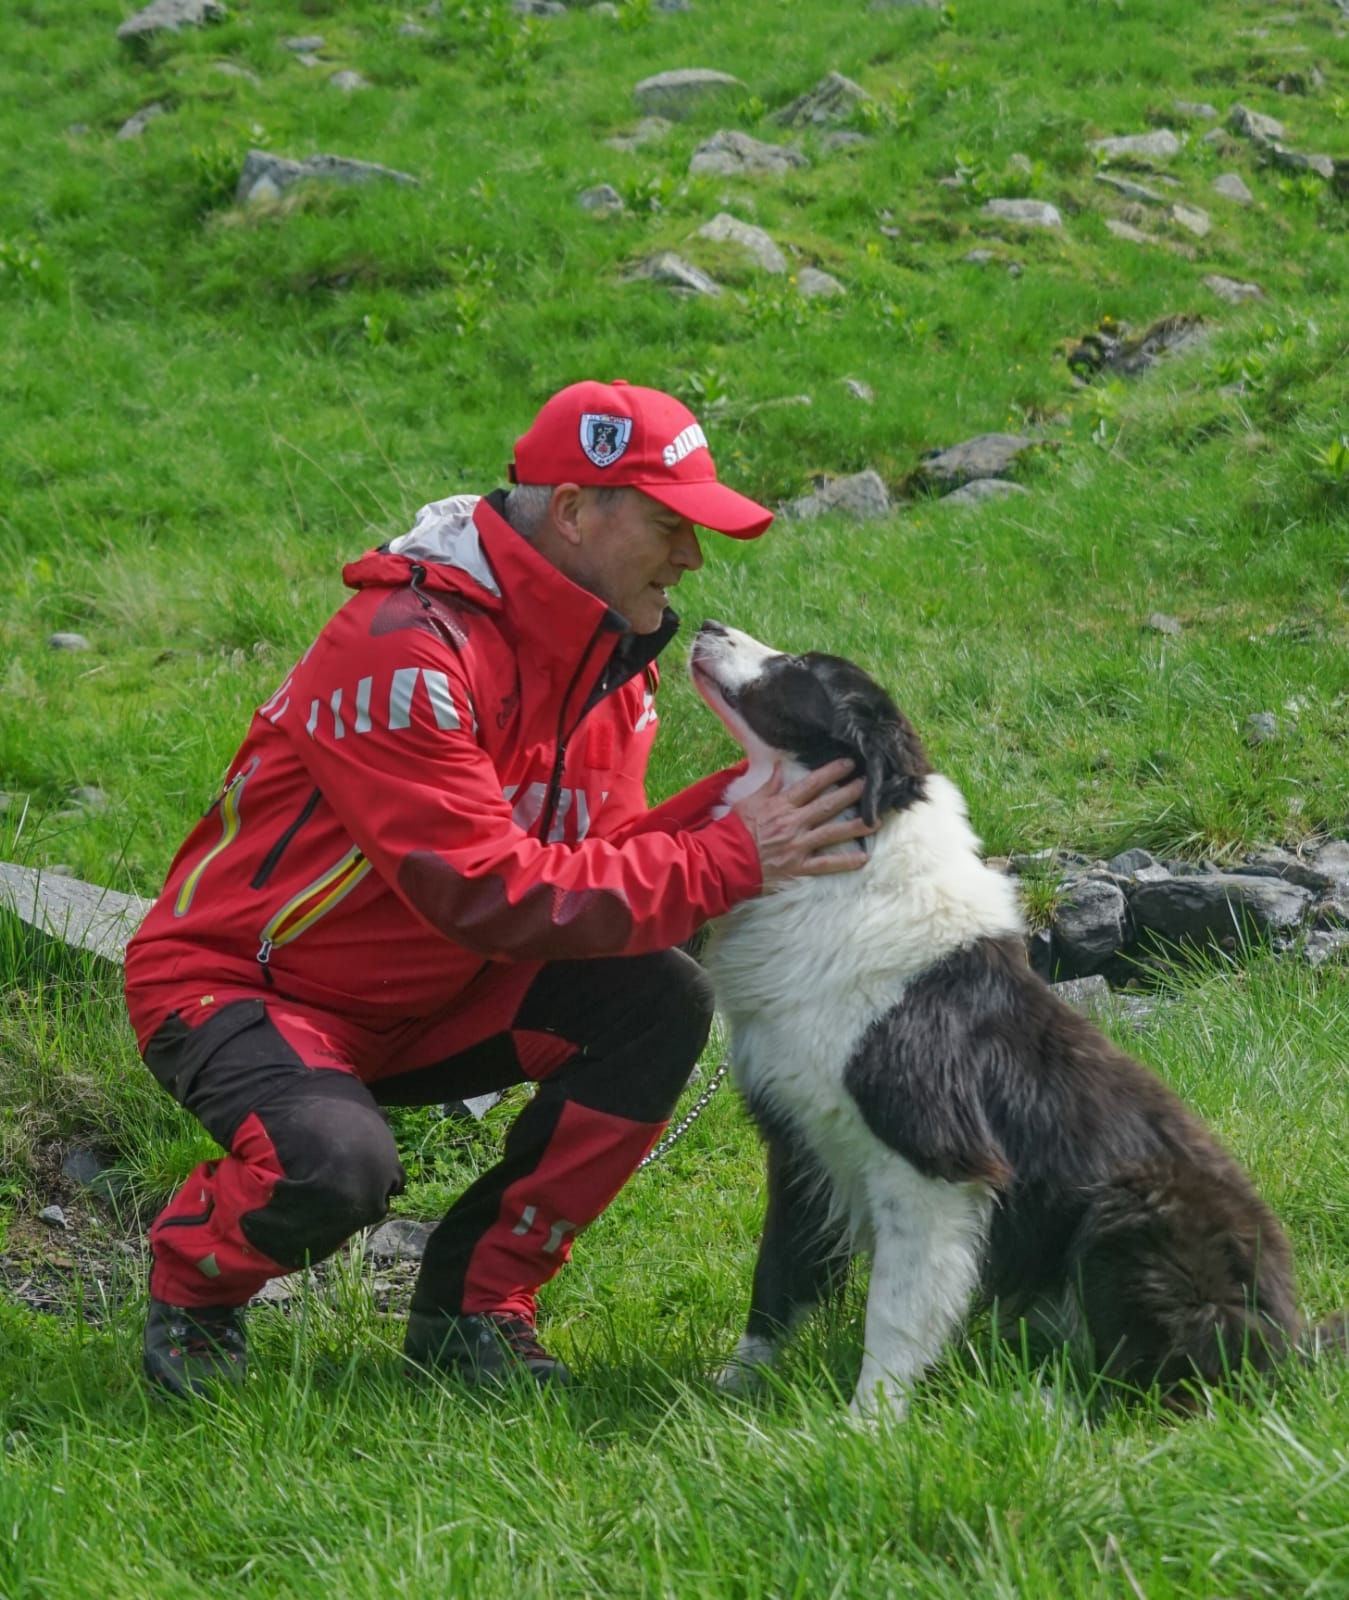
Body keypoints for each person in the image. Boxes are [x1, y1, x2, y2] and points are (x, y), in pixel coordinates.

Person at [123, 379, 872, 1400]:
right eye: (669, 524)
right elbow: (482, 892)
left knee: (654, 996)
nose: (691, 557)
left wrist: (753, 807)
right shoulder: (399, 647)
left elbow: (592, 865)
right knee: (334, 1167)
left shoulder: (612, 666)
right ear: (573, 510)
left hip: (441, 991)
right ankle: (194, 1281)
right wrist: (732, 852)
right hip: (249, 991)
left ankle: (472, 1307)